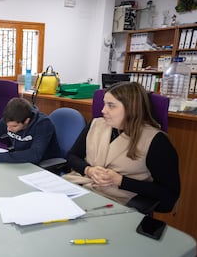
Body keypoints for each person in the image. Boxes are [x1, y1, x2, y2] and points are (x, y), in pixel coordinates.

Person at [63, 82, 180, 212]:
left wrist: (120, 181)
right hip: (79, 189)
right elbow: (72, 156)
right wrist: (88, 170)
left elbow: (169, 194)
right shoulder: (97, 124)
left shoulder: (155, 141)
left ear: (132, 108)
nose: (103, 110)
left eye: (111, 106)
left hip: (115, 203)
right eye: (104, 104)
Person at [0, 97, 62, 164]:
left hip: (42, 166)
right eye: (7, 125)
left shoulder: (43, 124)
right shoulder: (10, 119)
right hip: (21, 161)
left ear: (26, 121)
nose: (8, 129)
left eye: (14, 126)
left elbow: (35, 154)